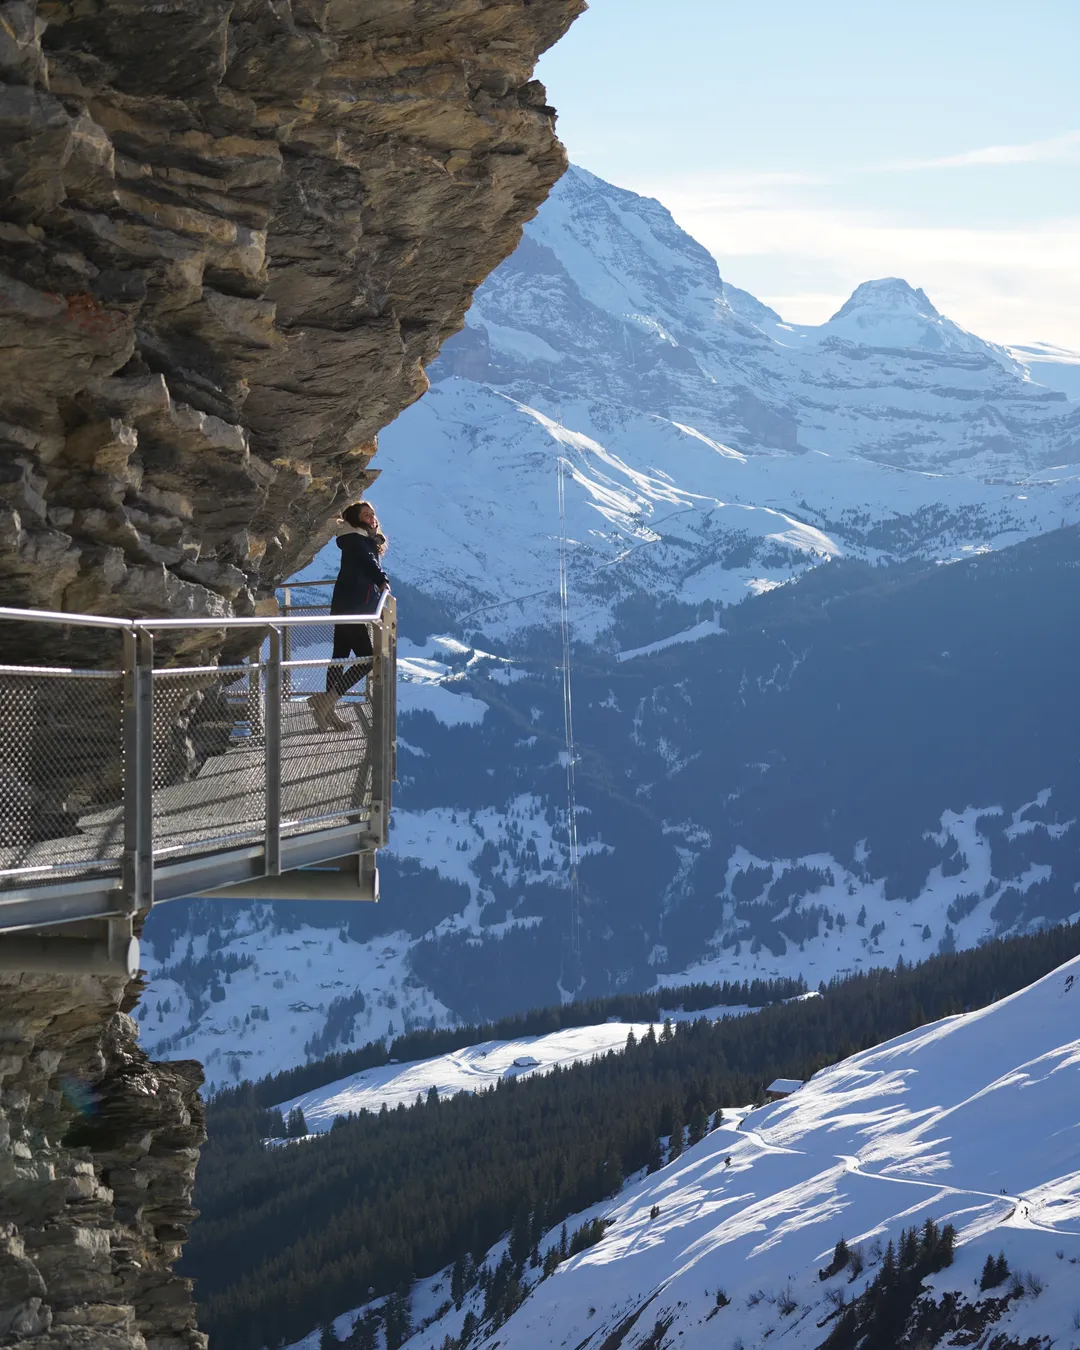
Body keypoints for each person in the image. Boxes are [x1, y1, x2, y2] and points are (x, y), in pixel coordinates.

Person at [307, 501, 389, 732]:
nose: (372, 518)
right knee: (366, 658)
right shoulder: (356, 539)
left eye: (373, 514)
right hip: (351, 607)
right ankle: (327, 701)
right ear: (355, 519)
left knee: (340, 656)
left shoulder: (360, 538)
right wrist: (382, 581)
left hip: (346, 605)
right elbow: (368, 563)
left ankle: (327, 710)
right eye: (366, 515)